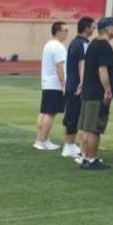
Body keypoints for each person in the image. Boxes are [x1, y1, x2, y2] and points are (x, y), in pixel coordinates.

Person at [79, 17, 113, 170]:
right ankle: (91, 159)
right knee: (94, 129)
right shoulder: (104, 46)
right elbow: (102, 69)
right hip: (97, 93)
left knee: (87, 128)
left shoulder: (93, 44)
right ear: (108, 28)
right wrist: (107, 90)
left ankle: (86, 158)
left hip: (89, 91)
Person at [62, 17, 95, 161]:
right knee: (74, 115)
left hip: (71, 83)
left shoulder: (74, 42)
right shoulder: (82, 44)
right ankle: (69, 146)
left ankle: (69, 144)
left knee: (71, 114)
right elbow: (83, 64)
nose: (94, 29)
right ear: (86, 28)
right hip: (76, 84)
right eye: (92, 27)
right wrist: (82, 83)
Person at [34, 22, 68, 151]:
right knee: (50, 113)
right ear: (58, 32)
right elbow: (59, 66)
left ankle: (39, 139)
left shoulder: (48, 45)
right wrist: (63, 84)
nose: (66, 33)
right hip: (55, 84)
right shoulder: (59, 47)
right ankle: (44, 140)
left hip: (47, 82)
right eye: (65, 30)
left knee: (43, 112)